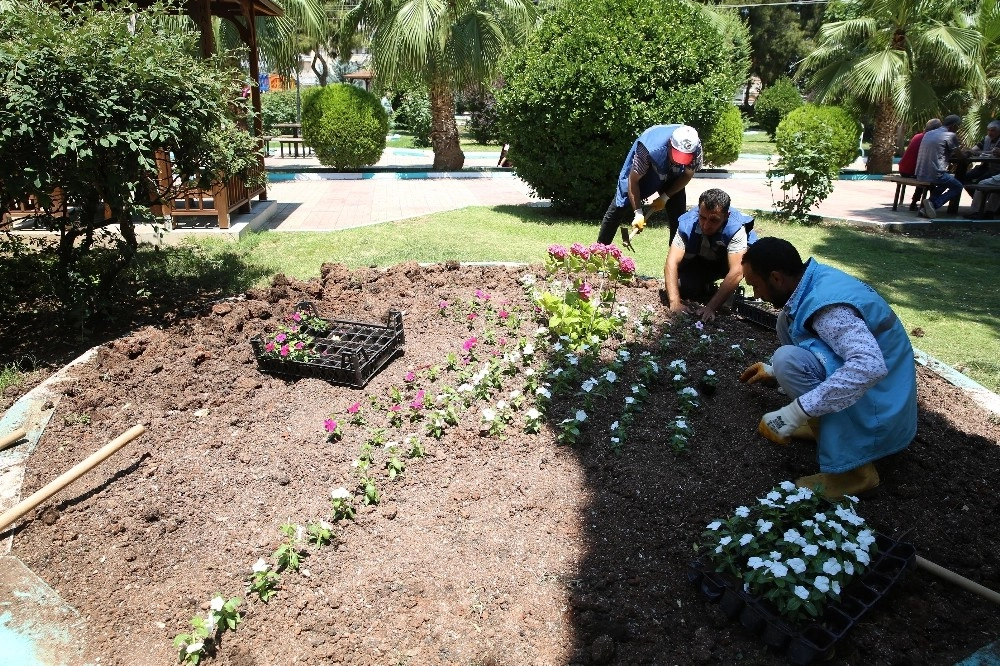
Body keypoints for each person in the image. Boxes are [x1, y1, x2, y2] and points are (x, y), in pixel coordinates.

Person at [738, 237, 917, 499]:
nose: (755, 295)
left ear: (776, 278)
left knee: (787, 359)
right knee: (785, 324)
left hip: (884, 410)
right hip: (885, 392)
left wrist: (795, 412)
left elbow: (868, 366)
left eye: (755, 285)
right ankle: (823, 427)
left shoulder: (829, 308)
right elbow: (827, 344)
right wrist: (774, 371)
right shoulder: (812, 282)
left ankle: (854, 472)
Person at [597, 124, 702, 249]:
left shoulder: (695, 148)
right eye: (677, 155)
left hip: (674, 175)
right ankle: (600, 252)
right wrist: (638, 213)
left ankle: (676, 262)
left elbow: (687, 175)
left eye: (684, 158)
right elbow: (633, 181)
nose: (679, 161)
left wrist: (665, 197)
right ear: (670, 143)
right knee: (618, 206)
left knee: (678, 217)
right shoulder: (647, 149)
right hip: (647, 168)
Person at [662, 188, 756, 323]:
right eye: (702, 217)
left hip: (728, 262)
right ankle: (706, 287)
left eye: (714, 220)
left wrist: (711, 308)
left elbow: (737, 271)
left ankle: (726, 294)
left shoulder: (736, 228)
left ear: (726, 216)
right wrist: (675, 302)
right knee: (682, 286)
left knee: (745, 266)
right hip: (703, 260)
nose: (706, 225)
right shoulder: (687, 223)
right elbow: (671, 262)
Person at [914, 114, 964, 219]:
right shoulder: (950, 135)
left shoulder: (929, 133)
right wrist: (968, 153)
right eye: (958, 127)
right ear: (953, 126)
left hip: (920, 172)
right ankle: (934, 204)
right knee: (958, 186)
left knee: (946, 182)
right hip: (936, 174)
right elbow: (960, 157)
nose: (957, 129)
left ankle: (926, 208)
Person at [897, 118, 942, 211]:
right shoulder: (928, 139)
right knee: (929, 179)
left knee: (925, 177)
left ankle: (917, 203)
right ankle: (932, 203)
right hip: (911, 170)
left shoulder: (917, 136)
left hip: (903, 168)